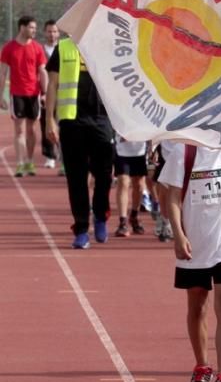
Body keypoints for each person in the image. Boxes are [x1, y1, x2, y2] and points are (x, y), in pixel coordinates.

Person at [161, 143, 221, 382]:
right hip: (194, 240)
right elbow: (172, 196)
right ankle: (202, 366)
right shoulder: (184, 152)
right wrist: (178, 234)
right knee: (198, 306)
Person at [44, 37, 115, 249]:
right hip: (71, 121)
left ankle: (101, 215)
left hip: (102, 120)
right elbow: (53, 85)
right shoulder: (63, 47)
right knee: (76, 178)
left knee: (104, 175)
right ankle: (82, 228)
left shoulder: (106, 45)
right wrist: (49, 119)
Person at [0, 16, 48, 177]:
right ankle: (20, 163)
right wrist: (1, 96)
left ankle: (29, 161)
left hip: (34, 94)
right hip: (17, 94)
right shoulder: (9, 48)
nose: (34, 30)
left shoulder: (37, 48)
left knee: (31, 130)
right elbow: (3, 73)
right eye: (31, 27)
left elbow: (43, 71)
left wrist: (45, 93)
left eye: (35, 28)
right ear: (22, 27)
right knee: (19, 130)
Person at [113, 134, 148, 237]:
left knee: (139, 184)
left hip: (140, 151)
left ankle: (134, 215)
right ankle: (122, 222)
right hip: (122, 150)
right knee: (123, 182)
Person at [39, 19, 61, 170]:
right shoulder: (40, 50)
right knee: (46, 124)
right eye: (49, 31)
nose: (52, 34)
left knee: (63, 125)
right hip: (45, 94)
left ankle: (62, 155)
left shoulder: (63, 48)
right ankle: (49, 156)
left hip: (63, 94)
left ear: (58, 33)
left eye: (54, 31)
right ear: (44, 32)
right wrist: (43, 92)